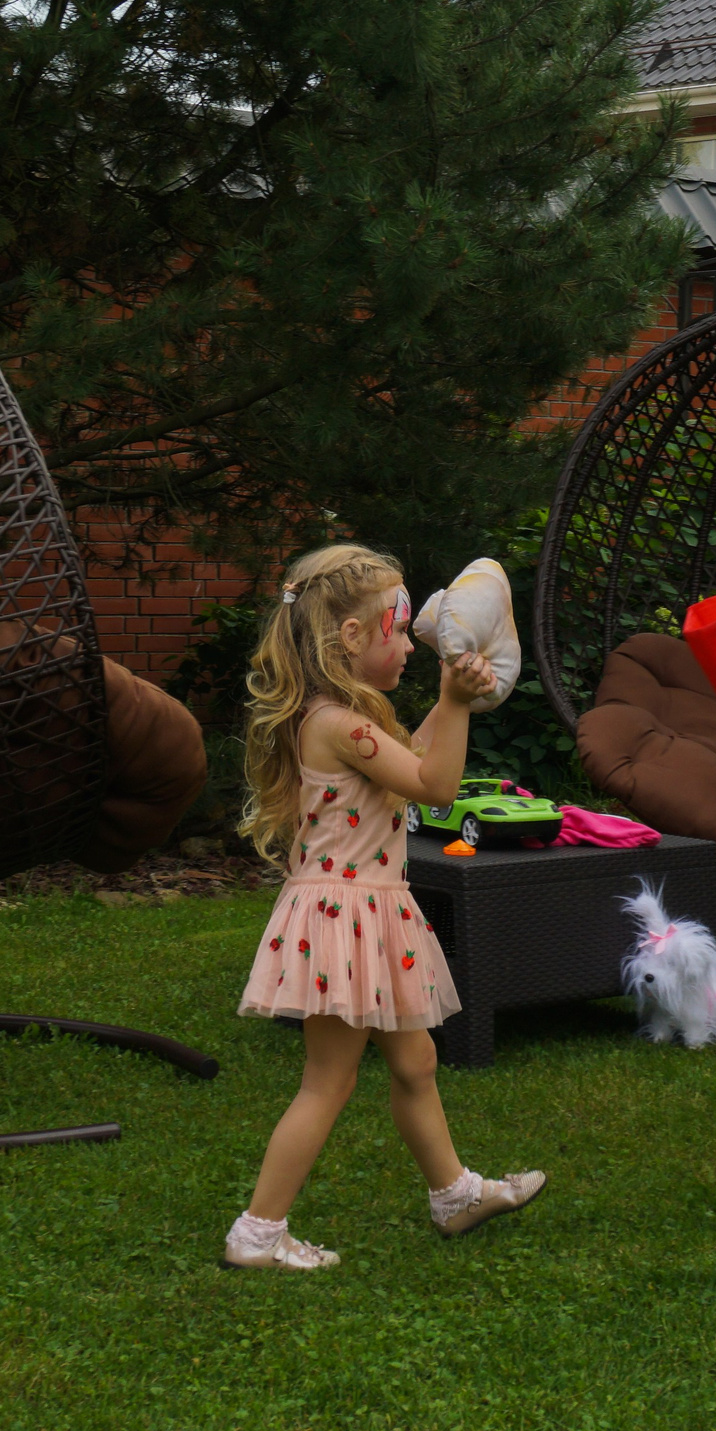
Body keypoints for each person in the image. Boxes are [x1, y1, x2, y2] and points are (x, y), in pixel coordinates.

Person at [222, 543, 547, 1271]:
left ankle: (455, 1193)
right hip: (346, 919)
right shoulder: (340, 724)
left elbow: (408, 766)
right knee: (328, 1079)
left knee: (416, 1060)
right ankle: (257, 1232)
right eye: (398, 630)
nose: (408, 642)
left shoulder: (346, 720)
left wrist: (447, 699)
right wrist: (458, 701)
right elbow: (434, 784)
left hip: (363, 914)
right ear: (352, 637)